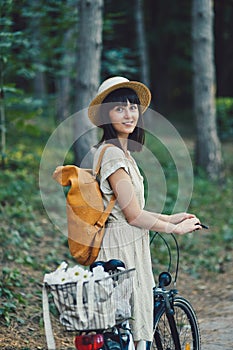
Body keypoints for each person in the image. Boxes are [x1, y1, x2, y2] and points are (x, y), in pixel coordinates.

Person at [88, 76, 202, 348]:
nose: (128, 114)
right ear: (106, 115)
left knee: (127, 331)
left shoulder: (123, 153)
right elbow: (133, 216)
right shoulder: (113, 155)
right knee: (124, 333)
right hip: (119, 251)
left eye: (132, 107)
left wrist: (169, 217)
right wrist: (176, 229)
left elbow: (130, 208)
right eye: (119, 108)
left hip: (129, 244)